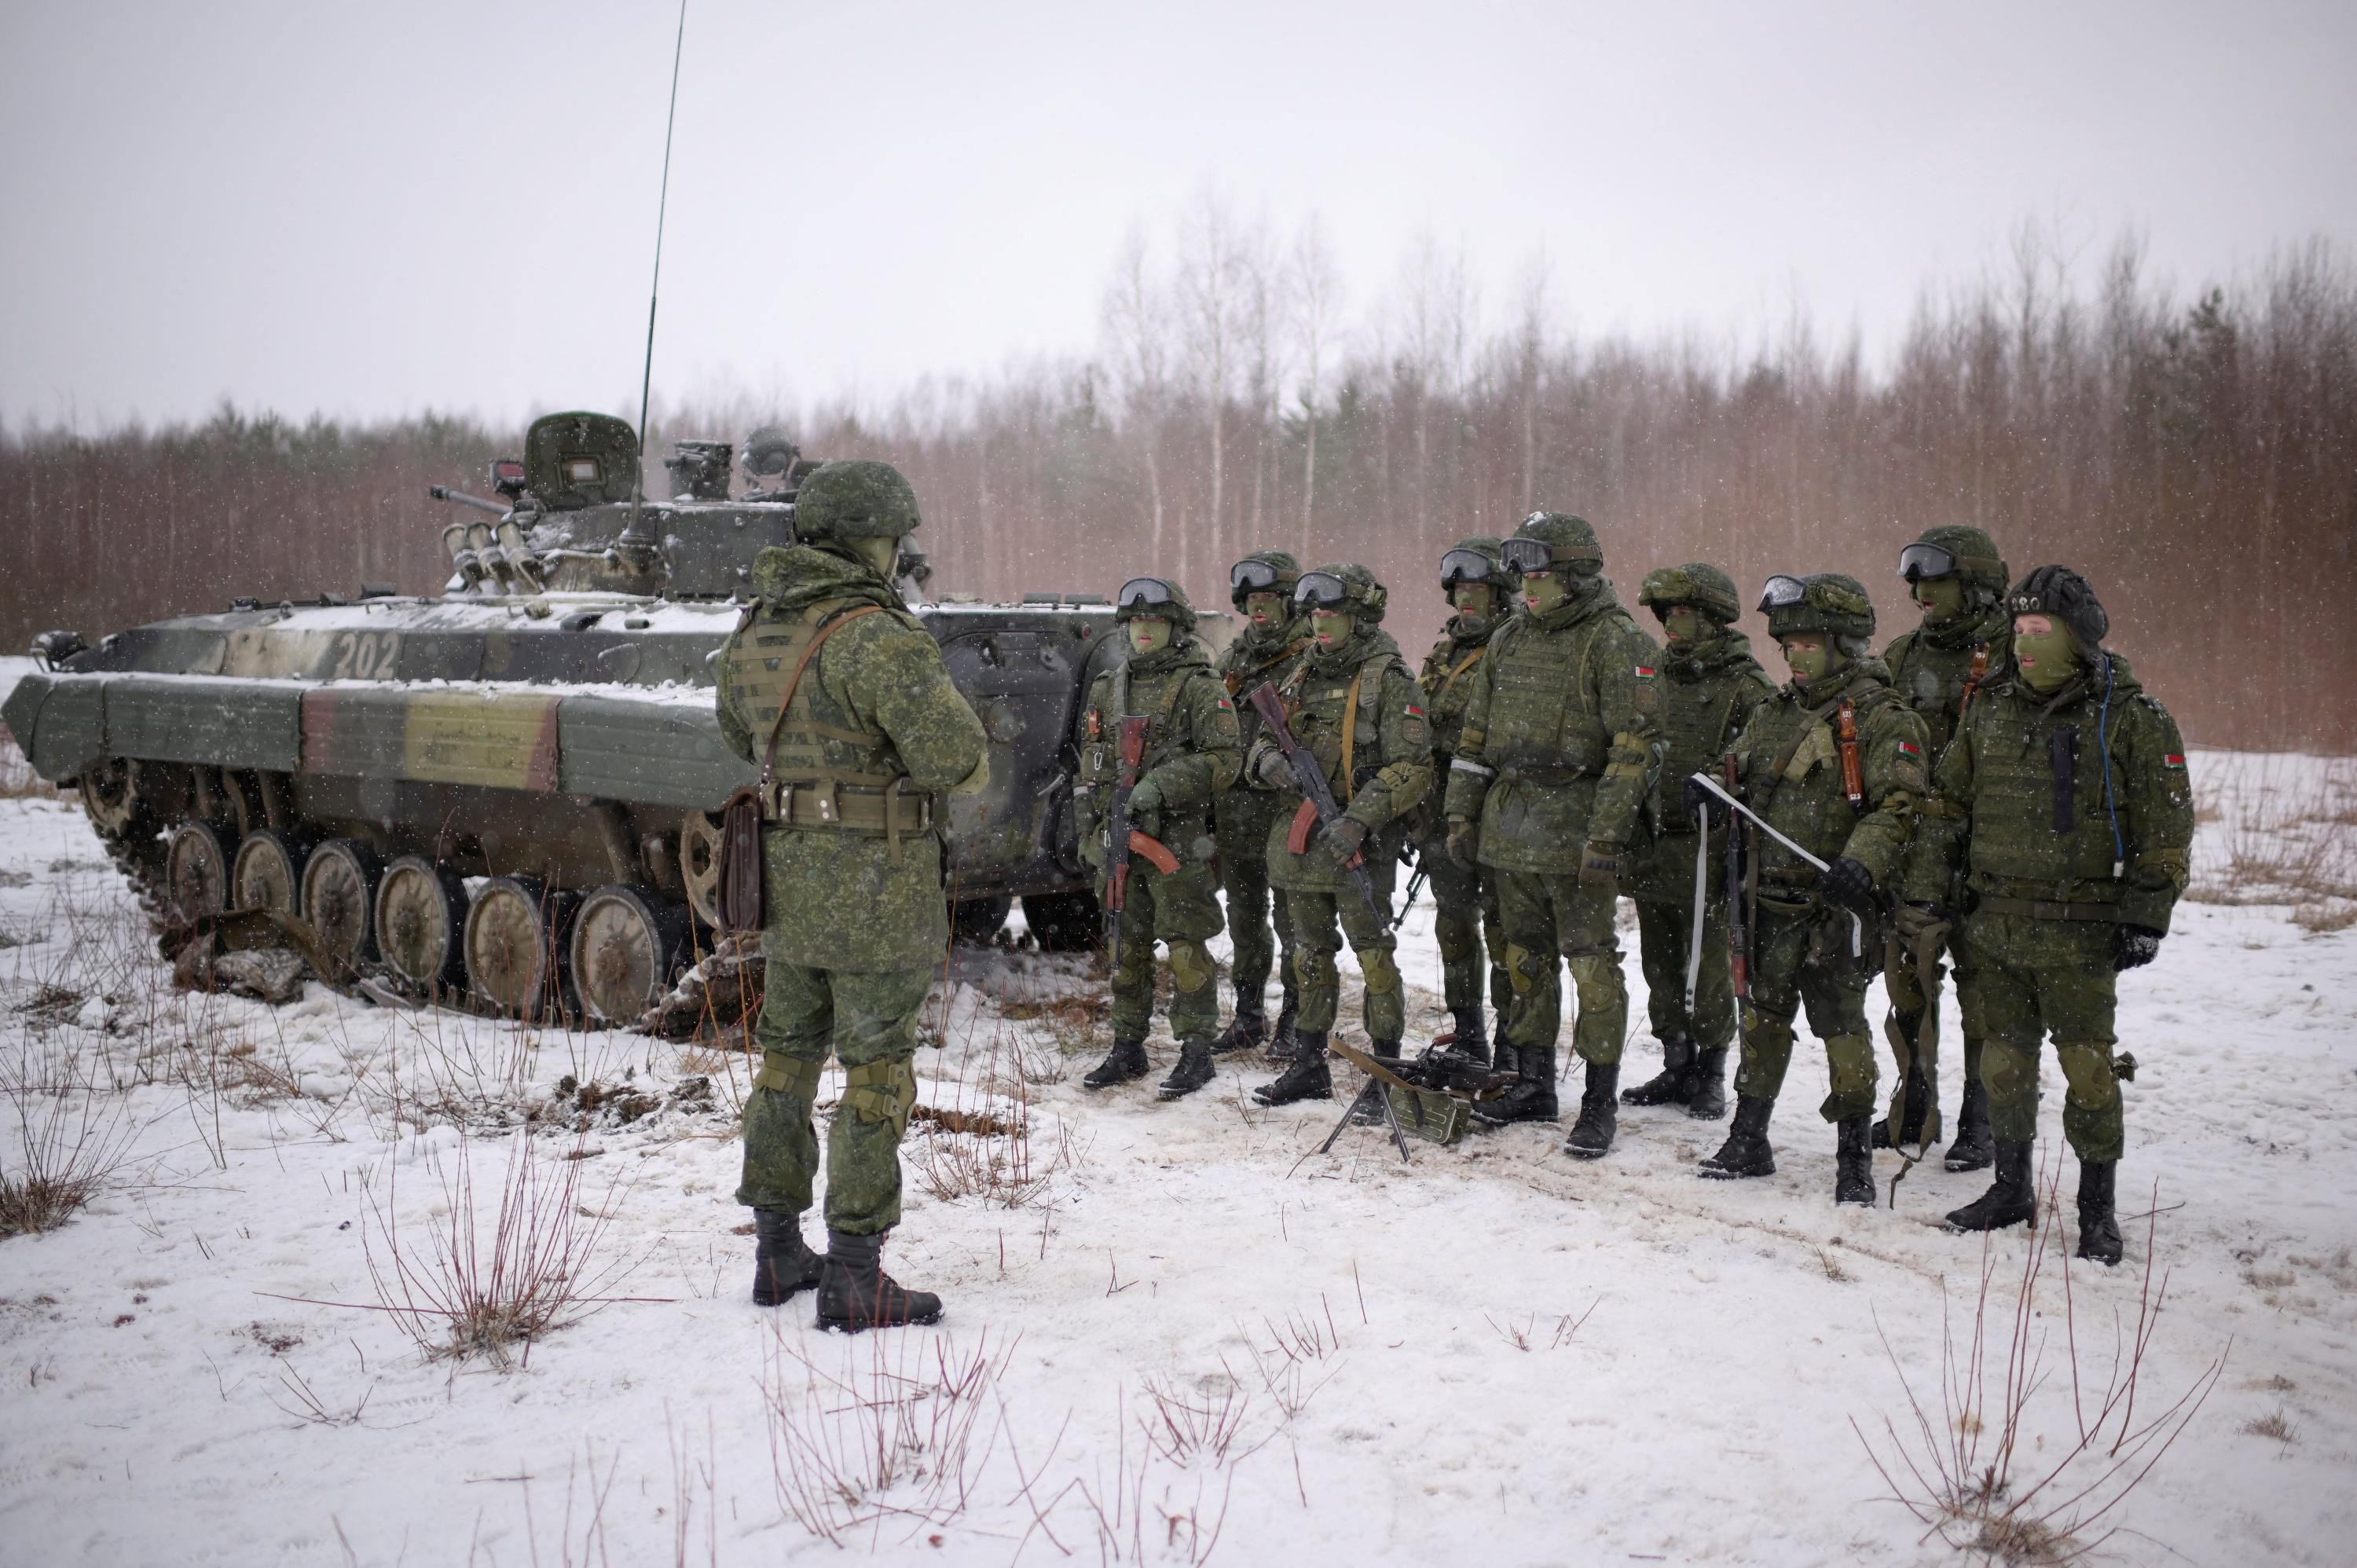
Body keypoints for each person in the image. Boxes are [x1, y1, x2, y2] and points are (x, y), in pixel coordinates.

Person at [714, 459, 989, 1331]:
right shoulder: (878, 636)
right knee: (876, 1075)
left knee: (787, 1061)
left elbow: (734, 729)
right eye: (893, 537)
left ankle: (776, 1247)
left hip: (789, 889)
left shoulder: (758, 629)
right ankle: (855, 1271)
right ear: (872, 539)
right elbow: (956, 759)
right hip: (875, 887)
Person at [1903, 566, 2192, 1264]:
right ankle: (2011, 1188)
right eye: (2021, 631)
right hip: (1994, 924)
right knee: (2004, 1062)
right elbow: (1947, 808)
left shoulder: (2130, 718)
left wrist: (2147, 915)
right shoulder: (1990, 709)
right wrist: (1928, 889)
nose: (2026, 646)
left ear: (2079, 636)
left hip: (2080, 932)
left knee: (2089, 1070)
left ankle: (2097, 1210)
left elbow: (2166, 828)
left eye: (2042, 632)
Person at [1684, 573, 1930, 1203]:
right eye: (1786, 644)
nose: (1792, 655)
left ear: (1845, 644)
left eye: (1807, 644)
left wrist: (1863, 862)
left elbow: (1899, 806)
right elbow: (1737, 769)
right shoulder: (1775, 711)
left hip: (1835, 907)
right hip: (1765, 899)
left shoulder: (1883, 716)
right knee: (1762, 1022)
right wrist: (1711, 787)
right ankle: (1749, 1137)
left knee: (1843, 1030)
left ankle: (1854, 1159)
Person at [1443, 512, 1666, 1157]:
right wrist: (1463, 813)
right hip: (1512, 826)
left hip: (1577, 827)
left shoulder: (1616, 641)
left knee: (1593, 967)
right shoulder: (1510, 639)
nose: (1526, 587)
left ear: (1574, 575)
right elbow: (1475, 738)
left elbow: (1636, 749)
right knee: (1525, 961)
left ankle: (1599, 1103)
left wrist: (1605, 838)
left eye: (1539, 575)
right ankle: (1534, 1085)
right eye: (1522, 575)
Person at [1244, 563, 1435, 1106]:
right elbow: (1258, 744)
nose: (1321, 623)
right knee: (1309, 955)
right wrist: (1267, 766)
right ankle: (1308, 1064)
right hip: (1302, 847)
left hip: (1358, 844)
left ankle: (1385, 1070)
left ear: (1360, 617)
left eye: (1334, 613)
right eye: (1316, 613)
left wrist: (1359, 819)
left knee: (1374, 954)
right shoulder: (1299, 674)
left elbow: (1414, 766)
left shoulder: (1388, 679)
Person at [1072, 577, 1243, 1098]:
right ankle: (1128, 1045)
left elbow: (1225, 761)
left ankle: (1196, 1051)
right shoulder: (1108, 686)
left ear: (1175, 627)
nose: (1144, 630)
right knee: (1125, 944)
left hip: (1177, 843)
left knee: (1187, 946)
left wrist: (1161, 784)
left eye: (1156, 622)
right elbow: (1089, 767)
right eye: (1136, 622)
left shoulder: (1198, 686)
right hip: (1120, 837)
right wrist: (1091, 833)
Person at [1879, 526, 2014, 1170]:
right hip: (1915, 850)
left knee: (1984, 995)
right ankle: (1912, 1105)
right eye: (1916, 582)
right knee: (1909, 985)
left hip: (1990, 848)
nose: (1920, 594)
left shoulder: (2019, 652)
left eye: (1936, 582)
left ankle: (1981, 1125)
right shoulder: (1904, 655)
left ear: (1977, 585)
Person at [1620, 563, 1775, 1121]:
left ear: (1712, 618)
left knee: (1708, 968)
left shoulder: (1745, 685)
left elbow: (1763, 760)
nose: (1673, 625)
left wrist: (1716, 783)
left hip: (1712, 848)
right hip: (1654, 843)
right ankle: (1676, 1061)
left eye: (1684, 613)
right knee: (1659, 965)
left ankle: (1711, 1072)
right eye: (1668, 615)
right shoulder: (1652, 676)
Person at [1415, 537, 1520, 1067]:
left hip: (1499, 814)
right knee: (1454, 927)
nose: (1468, 601)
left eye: (1478, 589)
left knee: (1508, 936)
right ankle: (1469, 1032)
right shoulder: (1443, 651)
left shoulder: (1518, 647)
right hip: (1442, 816)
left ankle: (1513, 1044)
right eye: (1460, 590)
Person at [1212, 551, 1310, 1058]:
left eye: (1270, 598)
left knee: (1295, 924)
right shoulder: (1232, 661)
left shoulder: (1309, 656)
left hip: (1288, 811)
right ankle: (1248, 1018)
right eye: (1252, 600)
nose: (1260, 608)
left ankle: (1295, 1020)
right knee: (1245, 920)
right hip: (1236, 812)